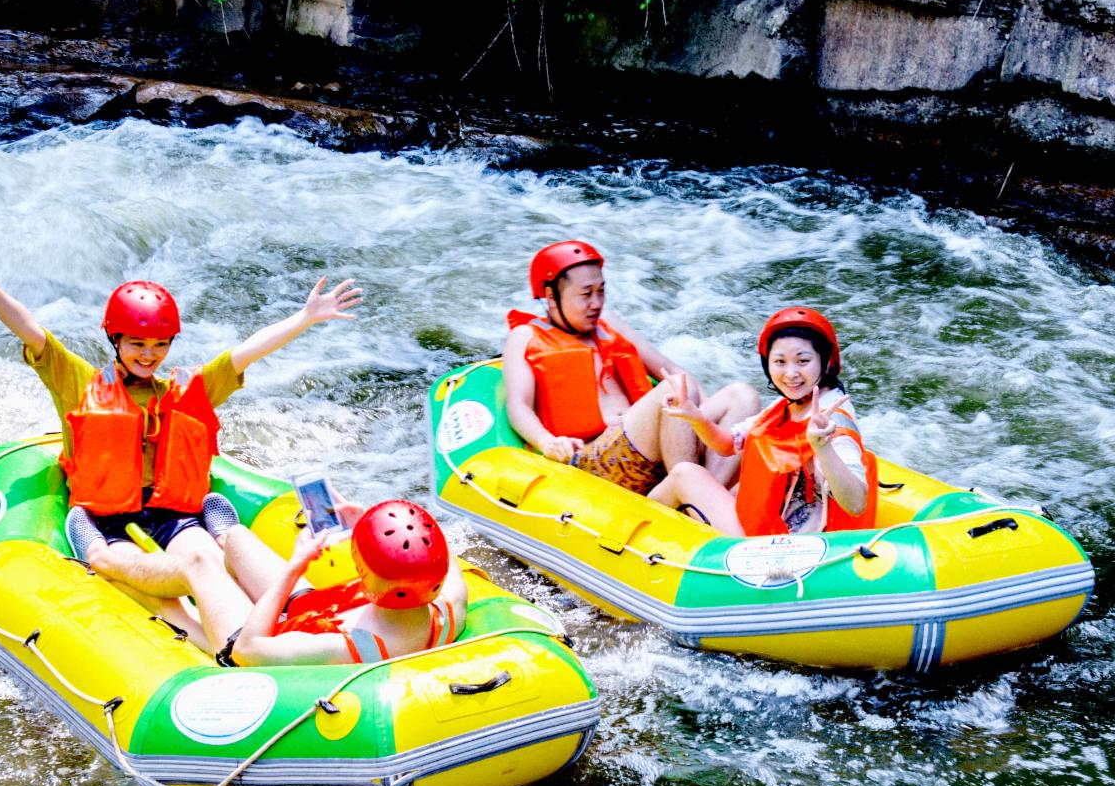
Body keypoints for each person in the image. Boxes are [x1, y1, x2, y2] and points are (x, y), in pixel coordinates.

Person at [0, 242, 360, 632]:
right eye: (137, 343)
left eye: (159, 345)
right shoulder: (80, 382)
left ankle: (299, 611)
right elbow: (34, 334)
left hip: (172, 511)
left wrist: (305, 318)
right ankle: (230, 642)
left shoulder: (183, 391)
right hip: (105, 519)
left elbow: (247, 352)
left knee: (204, 553)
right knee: (173, 575)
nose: (148, 355)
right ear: (115, 339)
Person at [501, 240, 757, 494]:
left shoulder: (609, 323)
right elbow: (518, 405)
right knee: (676, 386)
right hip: (595, 458)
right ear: (550, 296)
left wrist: (701, 421)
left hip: (650, 443)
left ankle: (707, 495)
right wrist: (546, 442)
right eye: (586, 293)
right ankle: (691, 495)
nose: (596, 302)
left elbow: (667, 367)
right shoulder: (525, 336)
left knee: (741, 395)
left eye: (601, 291)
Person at [648, 307, 878, 537]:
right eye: (780, 361)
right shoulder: (788, 403)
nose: (790, 373)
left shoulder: (832, 420)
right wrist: (695, 416)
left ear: (826, 362)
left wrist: (823, 447)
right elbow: (727, 445)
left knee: (684, 474)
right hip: (768, 527)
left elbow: (856, 504)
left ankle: (636, 540)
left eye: (803, 361)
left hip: (779, 549)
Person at [218, 500, 468, 666]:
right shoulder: (453, 605)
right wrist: (368, 525)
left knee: (198, 559)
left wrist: (295, 567)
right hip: (312, 615)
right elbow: (437, 552)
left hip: (244, 639)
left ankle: (207, 551)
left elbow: (246, 650)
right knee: (237, 538)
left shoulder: (339, 648)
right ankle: (223, 541)